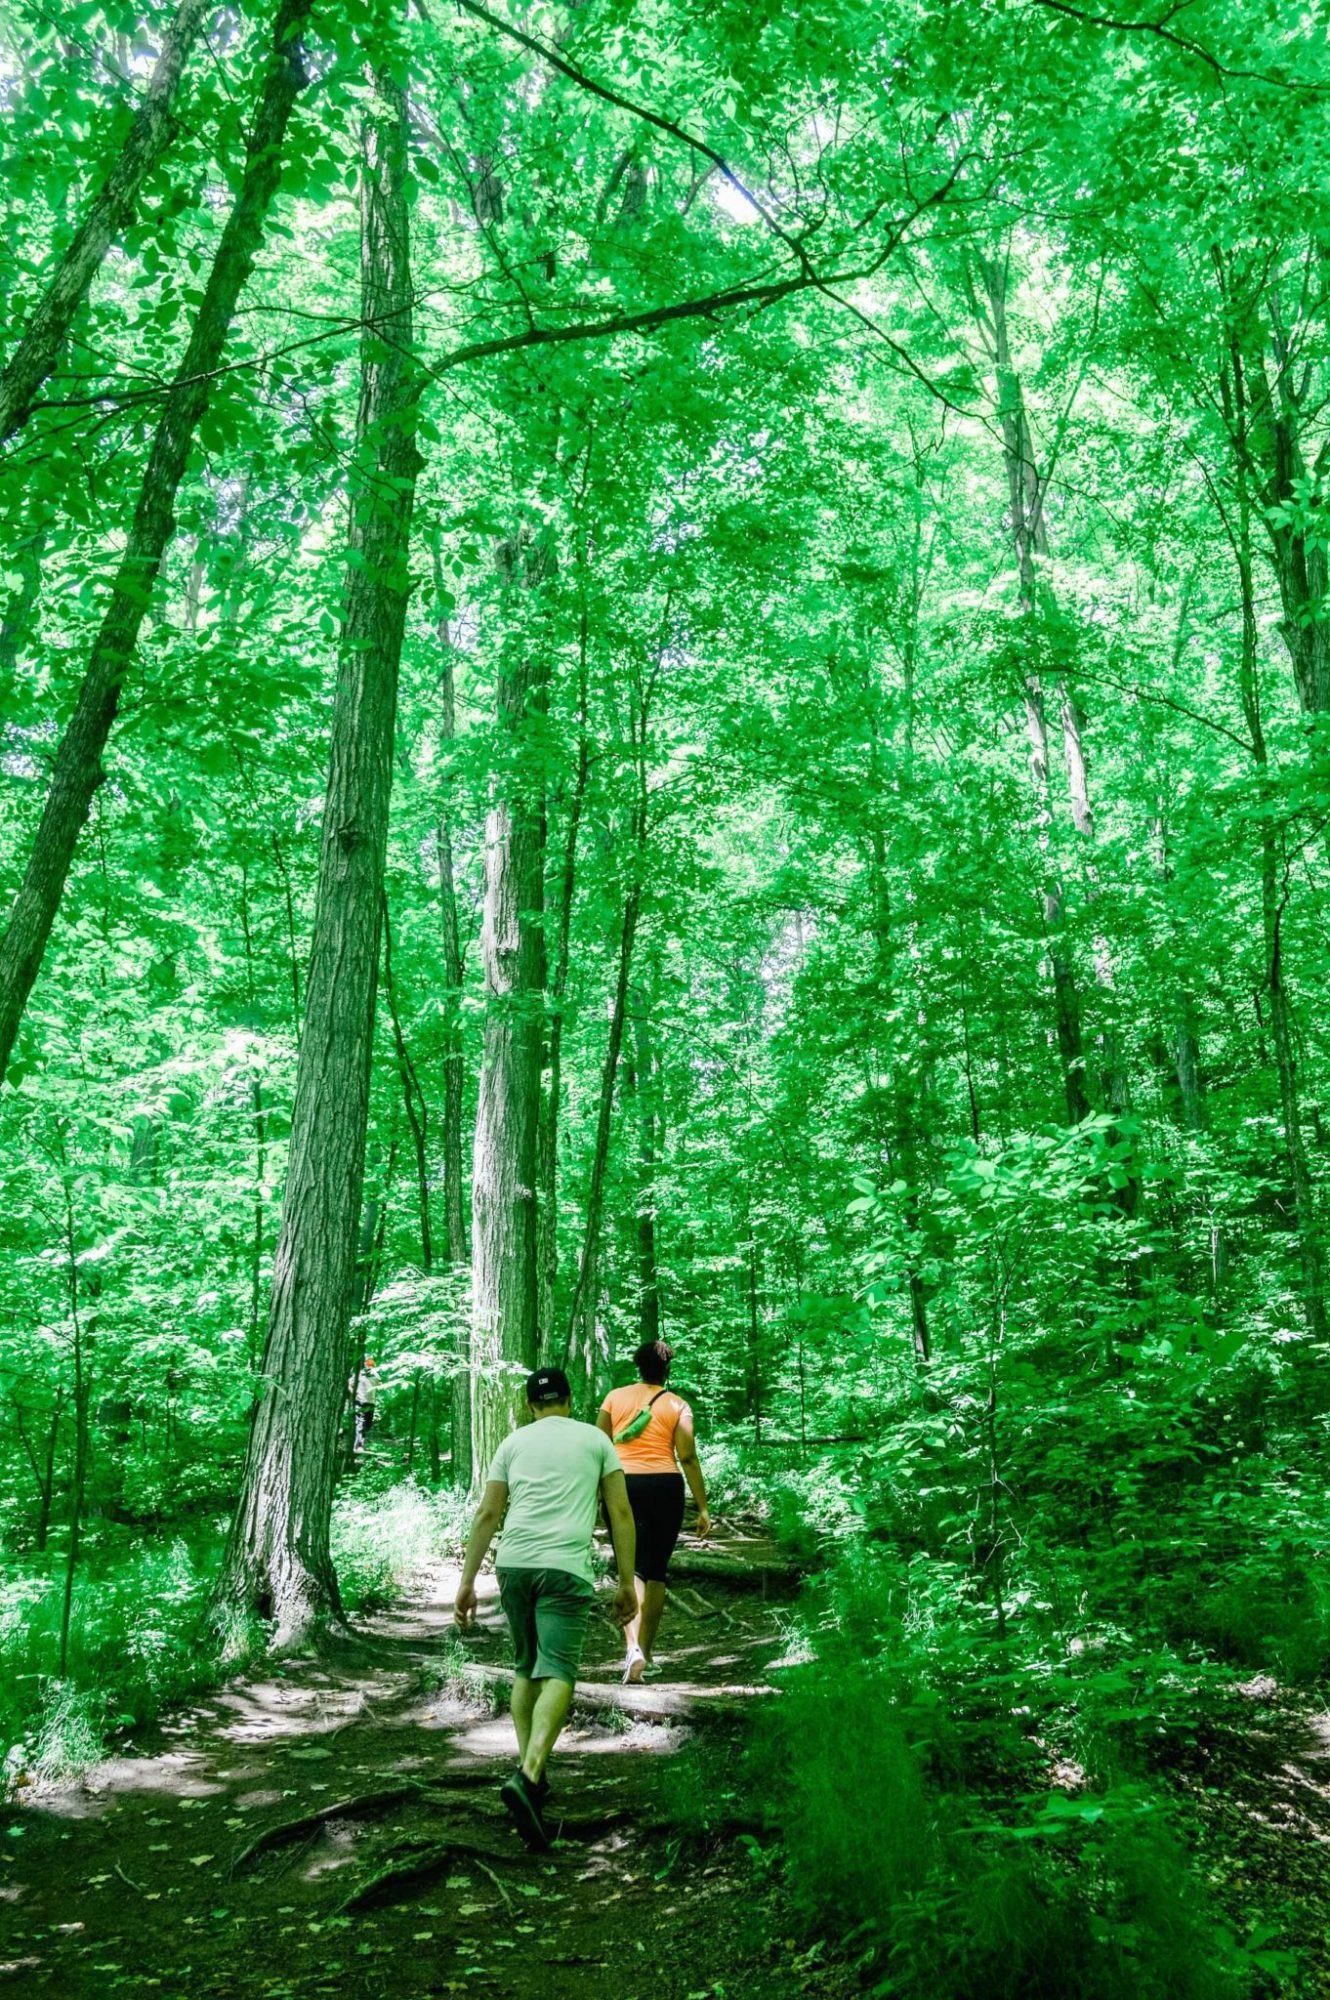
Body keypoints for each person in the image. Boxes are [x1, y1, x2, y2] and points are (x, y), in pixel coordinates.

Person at [454, 1366, 637, 1852]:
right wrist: (626, 1582)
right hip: (564, 1568)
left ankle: (529, 1780)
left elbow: (489, 1513)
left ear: (530, 1405)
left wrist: (468, 1581)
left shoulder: (512, 1445)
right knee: (557, 1668)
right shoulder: (597, 1442)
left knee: (525, 1668)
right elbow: (619, 1511)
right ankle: (530, 1772)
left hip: (513, 1565)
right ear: (570, 1400)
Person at [597, 1339, 711, 1684]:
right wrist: (703, 1507)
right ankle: (646, 1651)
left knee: (630, 1566)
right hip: (665, 1486)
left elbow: (599, 1446)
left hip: (622, 1484)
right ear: (667, 1370)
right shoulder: (678, 1405)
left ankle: (631, 1649)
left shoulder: (614, 1398)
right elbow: (687, 1457)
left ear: (638, 1367)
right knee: (656, 1570)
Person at [349, 1356, 379, 1455]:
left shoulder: (376, 1375)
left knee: (368, 1424)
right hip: (360, 1401)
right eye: (368, 1362)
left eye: (371, 1362)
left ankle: (361, 1444)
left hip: (371, 1402)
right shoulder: (359, 1374)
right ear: (365, 1363)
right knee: (360, 1424)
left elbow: (378, 1386)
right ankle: (358, 1446)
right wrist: (354, 1393)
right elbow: (350, 1384)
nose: (370, 1364)